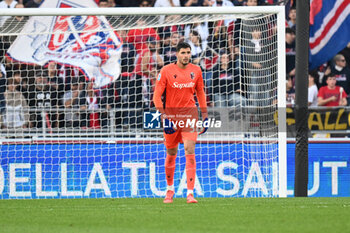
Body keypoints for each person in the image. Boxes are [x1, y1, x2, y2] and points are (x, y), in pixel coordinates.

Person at [153, 42, 208, 204]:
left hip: (190, 116)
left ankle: (190, 193)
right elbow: (157, 96)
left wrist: (204, 114)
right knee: (171, 153)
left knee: (189, 150)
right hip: (171, 117)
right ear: (177, 54)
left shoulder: (196, 70)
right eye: (183, 52)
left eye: (188, 52)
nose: (186, 55)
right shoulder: (166, 71)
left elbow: (200, 92)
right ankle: (170, 190)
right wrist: (163, 115)